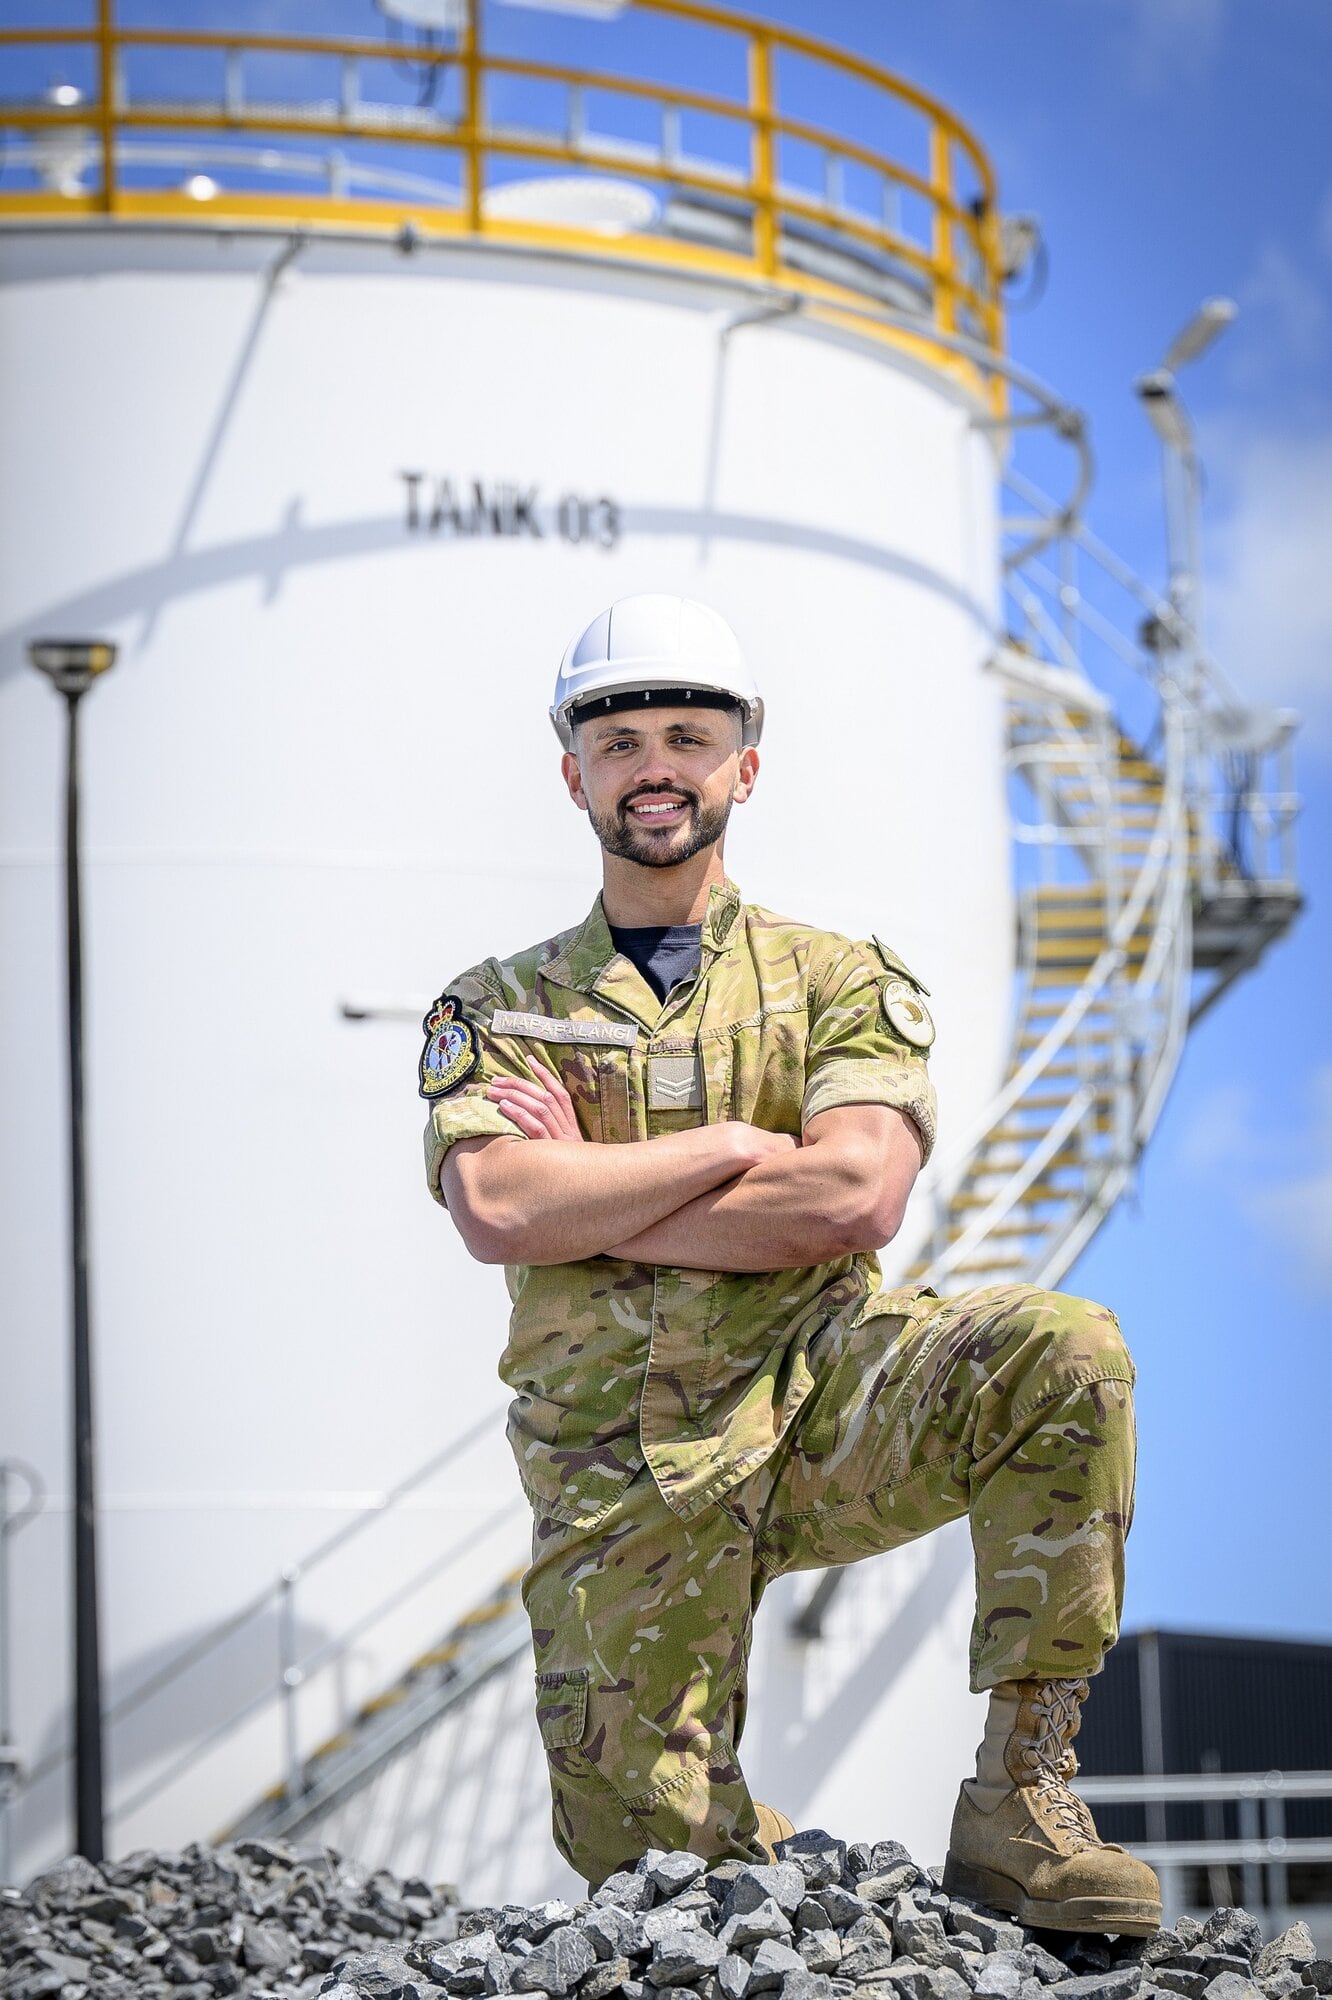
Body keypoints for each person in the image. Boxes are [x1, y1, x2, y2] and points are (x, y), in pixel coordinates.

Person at [420, 593, 1161, 1934]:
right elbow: (496, 1205)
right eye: (624, 739)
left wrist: (596, 1194)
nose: (657, 766)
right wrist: (730, 1150)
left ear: (742, 768)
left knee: (1068, 1354)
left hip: (825, 1399)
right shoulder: (498, 1008)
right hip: (616, 1457)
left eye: (689, 737)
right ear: (574, 770)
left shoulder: (838, 979)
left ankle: (1021, 1797)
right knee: (649, 1861)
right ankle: (774, 1860)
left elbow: (858, 1191)